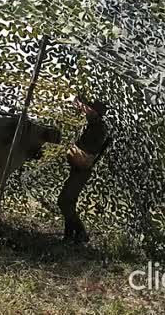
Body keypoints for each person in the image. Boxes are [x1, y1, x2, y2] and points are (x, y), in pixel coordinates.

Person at [58, 94, 109, 243]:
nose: (85, 111)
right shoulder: (94, 125)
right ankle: (69, 236)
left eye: (89, 109)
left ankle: (81, 234)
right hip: (79, 169)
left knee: (63, 201)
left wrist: (73, 149)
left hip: (82, 170)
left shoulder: (98, 127)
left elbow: (87, 150)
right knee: (69, 202)